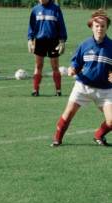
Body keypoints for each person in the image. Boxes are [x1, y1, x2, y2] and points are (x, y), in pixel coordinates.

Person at [52, 9, 112, 147]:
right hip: (83, 87)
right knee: (68, 115)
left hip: (105, 90)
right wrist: (73, 69)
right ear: (91, 26)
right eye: (97, 26)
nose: (99, 29)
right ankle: (57, 139)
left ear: (107, 27)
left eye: (103, 26)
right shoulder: (84, 44)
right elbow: (76, 62)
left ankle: (98, 135)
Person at [27, 0, 68, 96]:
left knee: (55, 66)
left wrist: (62, 40)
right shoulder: (35, 9)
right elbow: (31, 26)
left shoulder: (56, 9)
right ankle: (35, 90)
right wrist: (30, 39)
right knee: (38, 66)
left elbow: (61, 25)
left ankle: (58, 91)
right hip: (39, 41)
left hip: (53, 41)